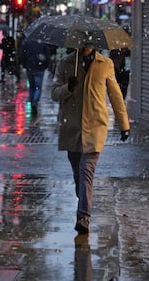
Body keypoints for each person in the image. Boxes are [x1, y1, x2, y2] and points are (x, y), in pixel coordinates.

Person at [51, 43, 130, 234]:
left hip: (95, 126)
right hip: (72, 127)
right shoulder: (66, 63)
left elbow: (115, 95)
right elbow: (54, 93)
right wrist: (67, 88)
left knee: (86, 170)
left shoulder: (105, 64)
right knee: (79, 174)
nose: (85, 45)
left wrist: (124, 124)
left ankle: (83, 216)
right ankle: (83, 201)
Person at [19, 38, 50, 116]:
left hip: (30, 67)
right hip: (39, 67)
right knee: (38, 87)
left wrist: (24, 64)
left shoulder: (27, 43)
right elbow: (47, 56)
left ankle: (32, 100)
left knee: (32, 86)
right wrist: (45, 65)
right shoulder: (43, 43)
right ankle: (35, 102)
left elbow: (22, 55)